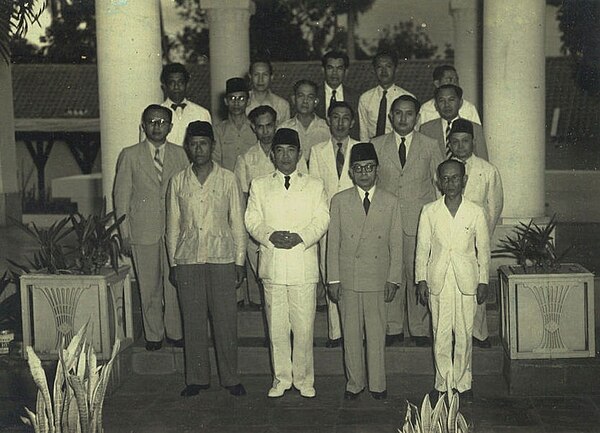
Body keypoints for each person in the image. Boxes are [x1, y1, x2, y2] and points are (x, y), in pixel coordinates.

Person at [245, 128, 329, 399]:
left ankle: (304, 380)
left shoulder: (315, 185)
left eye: (290, 150)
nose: (285, 156)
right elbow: (252, 220)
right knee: (277, 329)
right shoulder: (259, 184)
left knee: (304, 328)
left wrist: (301, 237)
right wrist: (270, 236)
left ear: (299, 154)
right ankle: (281, 379)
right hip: (273, 265)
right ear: (272, 155)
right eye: (279, 151)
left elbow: (322, 219)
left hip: (303, 265)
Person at [166, 121, 247, 397]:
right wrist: (174, 264)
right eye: (193, 143)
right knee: (193, 320)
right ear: (187, 147)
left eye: (204, 143)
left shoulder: (228, 178)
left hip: (222, 258)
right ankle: (197, 378)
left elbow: (237, 222)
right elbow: (173, 226)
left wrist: (239, 261)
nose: (199, 148)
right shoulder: (178, 181)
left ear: (212, 146)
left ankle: (230, 377)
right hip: (188, 260)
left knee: (225, 320)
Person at [327, 142, 404, 401]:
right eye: (358, 168)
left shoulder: (391, 202)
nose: (364, 173)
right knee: (350, 334)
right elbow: (333, 243)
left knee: (376, 334)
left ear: (377, 170)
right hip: (348, 278)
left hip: (378, 278)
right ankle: (354, 383)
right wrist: (333, 278)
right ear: (350, 173)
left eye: (369, 168)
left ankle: (378, 384)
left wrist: (394, 278)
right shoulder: (339, 201)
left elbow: (396, 243)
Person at [113, 104, 189, 351]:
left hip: (174, 231)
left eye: (162, 122)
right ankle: (154, 335)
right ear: (143, 126)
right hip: (142, 230)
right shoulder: (130, 155)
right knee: (149, 285)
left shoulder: (180, 154)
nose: (157, 126)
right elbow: (121, 197)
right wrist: (124, 234)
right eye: (152, 122)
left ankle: (175, 332)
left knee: (174, 283)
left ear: (171, 126)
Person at [372, 95, 444, 347]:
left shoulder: (430, 145)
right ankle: (392, 327)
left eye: (409, 114)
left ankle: (420, 327)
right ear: (391, 117)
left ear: (417, 117)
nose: (403, 119)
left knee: (418, 273)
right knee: (390, 272)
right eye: (398, 114)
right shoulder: (377, 145)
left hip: (420, 220)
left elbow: (440, 184)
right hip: (387, 221)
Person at [415, 159, 490, 401]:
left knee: (465, 332)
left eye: (455, 178)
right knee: (440, 332)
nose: (450, 183)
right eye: (445, 178)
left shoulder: (476, 211)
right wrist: (421, 280)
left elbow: (483, 250)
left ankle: (463, 382)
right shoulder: (429, 211)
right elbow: (422, 248)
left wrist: (483, 281)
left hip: (467, 279)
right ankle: (443, 383)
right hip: (438, 279)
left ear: (464, 180)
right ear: (439, 181)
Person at [449, 119, 503, 349]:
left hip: (476, 238)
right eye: (456, 142)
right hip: (451, 237)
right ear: (449, 143)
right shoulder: (445, 169)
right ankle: (452, 333)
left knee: (477, 284)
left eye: (465, 141)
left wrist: (482, 237)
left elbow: (494, 206)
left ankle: (479, 333)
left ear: (473, 142)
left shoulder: (487, 170)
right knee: (453, 285)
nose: (461, 147)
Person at [309, 101, 359, 348]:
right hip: (327, 221)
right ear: (328, 121)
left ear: (353, 122)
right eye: (335, 118)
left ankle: (354, 331)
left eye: (345, 118)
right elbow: (316, 189)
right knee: (331, 274)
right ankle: (335, 332)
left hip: (355, 220)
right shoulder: (317, 151)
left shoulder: (362, 147)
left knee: (353, 274)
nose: (340, 123)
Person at [419, 84, 488, 160]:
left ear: (460, 103)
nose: (446, 105)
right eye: (441, 100)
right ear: (436, 105)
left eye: (451, 100)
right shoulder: (426, 129)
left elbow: (483, 161)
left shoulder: (475, 128)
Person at [358, 50, 415, 141]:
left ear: (396, 69)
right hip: (372, 148)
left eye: (388, 66)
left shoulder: (408, 99)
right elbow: (363, 133)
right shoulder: (365, 98)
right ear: (373, 70)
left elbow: (413, 132)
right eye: (379, 67)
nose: (384, 71)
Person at [158, 63, 211, 146]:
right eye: (172, 83)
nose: (176, 87)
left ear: (187, 85)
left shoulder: (202, 113)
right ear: (165, 86)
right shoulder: (157, 114)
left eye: (181, 82)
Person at [278, 79, 330, 161]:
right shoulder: (284, 128)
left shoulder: (327, 128)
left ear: (316, 102)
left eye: (310, 97)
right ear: (293, 99)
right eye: (301, 96)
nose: (305, 101)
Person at [213, 77, 257, 172]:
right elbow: (215, 162)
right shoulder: (218, 130)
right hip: (227, 182)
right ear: (226, 101)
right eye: (232, 98)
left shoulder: (256, 128)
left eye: (241, 98)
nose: (236, 103)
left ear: (248, 101)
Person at [417, 65, 482, 128]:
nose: (454, 83)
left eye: (456, 80)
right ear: (437, 83)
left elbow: (476, 133)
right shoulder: (425, 110)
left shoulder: (469, 108)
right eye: (450, 79)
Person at [315, 51, 360, 139]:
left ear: (346, 72)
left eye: (339, 68)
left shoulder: (356, 97)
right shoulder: (314, 95)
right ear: (323, 70)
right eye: (330, 68)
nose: (334, 73)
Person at [245, 59, 291, 125]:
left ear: (271, 77)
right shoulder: (242, 102)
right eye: (256, 75)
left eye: (265, 75)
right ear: (250, 77)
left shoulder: (282, 105)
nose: (260, 79)